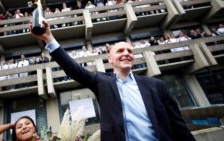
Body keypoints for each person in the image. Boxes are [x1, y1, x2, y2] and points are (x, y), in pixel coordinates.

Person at [31, 19, 196, 141]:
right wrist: (48, 39)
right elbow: (73, 69)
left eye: (129, 51)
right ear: (110, 59)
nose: (126, 53)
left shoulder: (156, 85)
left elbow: (178, 125)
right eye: (120, 51)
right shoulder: (102, 82)